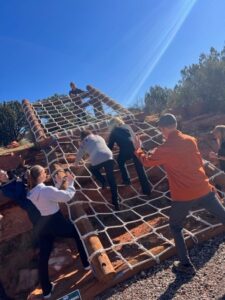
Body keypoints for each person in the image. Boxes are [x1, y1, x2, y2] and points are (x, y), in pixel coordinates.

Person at [135, 113, 225, 275]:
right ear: (175, 125)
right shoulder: (191, 140)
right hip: (203, 188)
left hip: (183, 196)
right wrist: (210, 185)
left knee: (175, 226)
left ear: (163, 129)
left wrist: (137, 148)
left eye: (161, 130)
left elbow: (146, 161)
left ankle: (186, 265)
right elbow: (198, 163)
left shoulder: (165, 148)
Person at [27, 165, 89, 299]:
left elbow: (51, 196)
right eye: (44, 172)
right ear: (40, 176)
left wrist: (59, 185)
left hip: (44, 224)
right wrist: (71, 183)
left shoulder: (31, 193)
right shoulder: (46, 190)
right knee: (78, 235)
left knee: (43, 257)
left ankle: (46, 290)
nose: (46, 173)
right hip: (56, 220)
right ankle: (86, 264)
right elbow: (67, 196)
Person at [74, 130, 120, 210]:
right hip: (108, 156)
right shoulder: (99, 137)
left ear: (82, 137)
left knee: (93, 169)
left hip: (96, 159)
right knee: (111, 179)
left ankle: (103, 181)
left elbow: (79, 154)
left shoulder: (84, 141)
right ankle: (116, 202)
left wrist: (76, 164)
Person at [108, 117, 151, 195]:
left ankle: (126, 180)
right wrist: (141, 148)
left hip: (125, 150)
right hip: (135, 147)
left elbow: (110, 146)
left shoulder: (113, 132)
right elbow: (133, 137)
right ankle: (147, 191)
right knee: (140, 169)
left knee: (120, 161)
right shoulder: (127, 126)